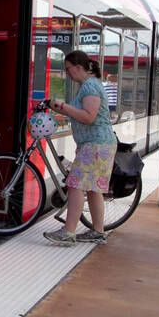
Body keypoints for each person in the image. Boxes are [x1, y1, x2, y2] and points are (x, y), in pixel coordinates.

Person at [43, 50, 118, 246]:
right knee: (93, 189)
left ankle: (68, 233)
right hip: (96, 144)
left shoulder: (90, 86)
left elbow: (88, 116)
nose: (67, 73)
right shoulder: (89, 85)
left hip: (96, 145)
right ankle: (98, 232)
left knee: (75, 185)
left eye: (68, 69)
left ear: (78, 67)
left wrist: (62, 106)